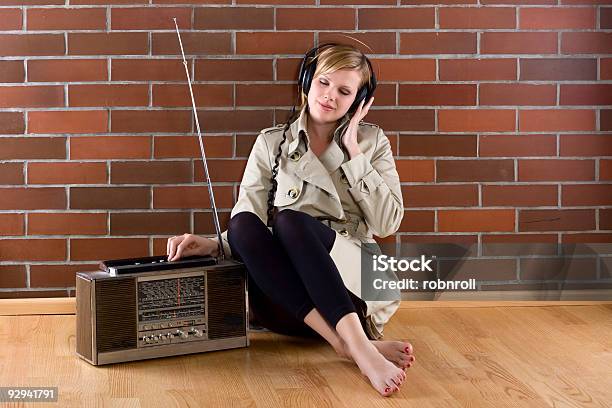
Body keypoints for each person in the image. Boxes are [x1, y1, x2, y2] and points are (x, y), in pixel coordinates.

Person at [166, 43, 415, 397]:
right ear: (307, 81)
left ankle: (359, 342)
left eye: (344, 91)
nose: (330, 96)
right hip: (295, 304)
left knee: (290, 222)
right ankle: (348, 346)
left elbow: (388, 222)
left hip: (357, 289)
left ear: (359, 101)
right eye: (324, 83)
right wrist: (212, 244)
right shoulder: (271, 144)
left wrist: (353, 152)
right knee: (241, 224)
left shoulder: (372, 141)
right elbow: (248, 218)